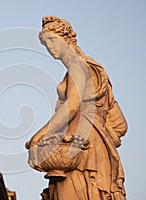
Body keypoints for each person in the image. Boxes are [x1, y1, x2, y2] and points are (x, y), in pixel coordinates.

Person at [26, 16, 127, 200]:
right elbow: (120, 125)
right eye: (44, 42)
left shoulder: (78, 66)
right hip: (91, 147)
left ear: (67, 39)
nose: (49, 46)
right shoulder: (94, 69)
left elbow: (72, 105)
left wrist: (39, 135)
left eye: (52, 39)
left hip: (80, 149)